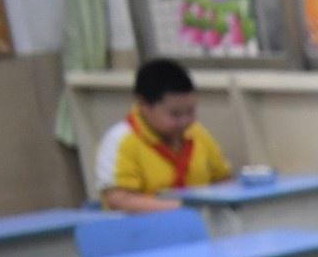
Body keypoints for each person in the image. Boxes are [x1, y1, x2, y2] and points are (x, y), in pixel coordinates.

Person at [95, 59, 233, 213]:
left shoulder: (197, 133)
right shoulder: (121, 140)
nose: (185, 121)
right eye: (175, 114)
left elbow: (223, 180)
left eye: (191, 111)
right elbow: (119, 200)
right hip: (142, 231)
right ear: (143, 105)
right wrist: (184, 208)